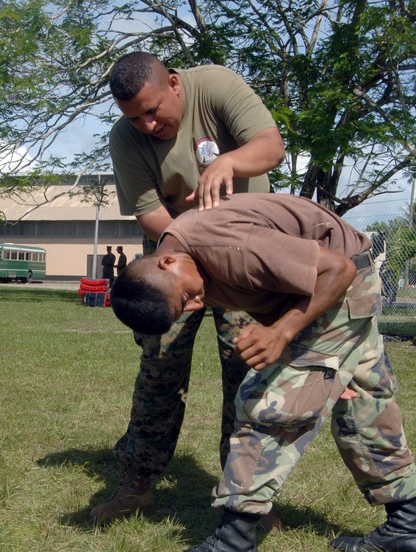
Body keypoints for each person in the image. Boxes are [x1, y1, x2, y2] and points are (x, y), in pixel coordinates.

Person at [110, 192, 416, 552]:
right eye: (185, 308)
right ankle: (407, 525)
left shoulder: (223, 245)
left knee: (267, 403)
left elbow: (338, 270)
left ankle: (233, 547)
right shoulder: (186, 261)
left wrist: (282, 334)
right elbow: (266, 287)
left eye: (186, 297)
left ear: (167, 263)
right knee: (364, 404)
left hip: (339, 281)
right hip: (341, 283)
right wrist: (330, 368)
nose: (196, 304)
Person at [91, 51, 285, 522]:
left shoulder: (215, 85)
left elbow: (271, 146)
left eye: (153, 111)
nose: (147, 125)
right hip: (172, 255)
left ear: (174, 84)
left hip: (245, 252)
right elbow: (149, 213)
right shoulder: (125, 138)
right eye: (134, 118)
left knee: (247, 369)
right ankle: (137, 483)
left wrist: (229, 163)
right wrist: (195, 245)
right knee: (159, 366)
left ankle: (247, 498)